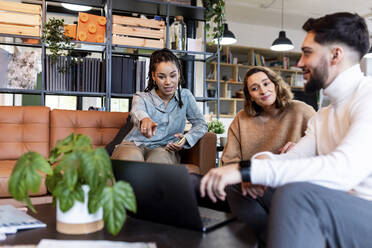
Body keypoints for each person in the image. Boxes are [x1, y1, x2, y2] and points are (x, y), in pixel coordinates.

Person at [200, 12, 372, 248]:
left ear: (335, 54)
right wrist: (252, 167)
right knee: (248, 186)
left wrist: (249, 170)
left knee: (296, 194)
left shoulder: (368, 96)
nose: (299, 62)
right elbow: (292, 157)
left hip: (364, 213)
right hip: (330, 207)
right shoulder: (323, 117)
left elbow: (343, 169)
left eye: (307, 52)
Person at [220, 66, 314, 238]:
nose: (263, 91)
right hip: (251, 185)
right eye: (254, 88)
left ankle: (267, 238)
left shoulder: (302, 111)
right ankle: (272, 238)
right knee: (231, 184)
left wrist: (300, 149)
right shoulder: (241, 119)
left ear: (276, 85)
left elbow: (322, 149)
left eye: (266, 83)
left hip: (288, 184)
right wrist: (247, 177)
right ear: (251, 97)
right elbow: (228, 162)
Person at [111, 48, 207, 164]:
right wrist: (145, 120)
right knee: (132, 158)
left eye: (173, 76)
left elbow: (201, 124)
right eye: (162, 77)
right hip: (134, 145)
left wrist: (186, 139)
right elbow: (137, 111)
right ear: (153, 76)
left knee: (158, 161)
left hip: (164, 149)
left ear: (179, 74)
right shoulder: (141, 97)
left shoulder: (185, 96)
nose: (168, 82)